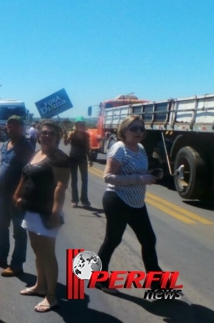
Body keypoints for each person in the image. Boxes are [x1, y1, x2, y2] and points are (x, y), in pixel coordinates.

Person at [96, 115, 164, 294]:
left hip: (136, 202)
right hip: (117, 200)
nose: (139, 132)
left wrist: (152, 173)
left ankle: (156, 282)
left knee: (149, 239)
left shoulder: (140, 148)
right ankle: (100, 279)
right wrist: (139, 179)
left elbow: (137, 172)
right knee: (113, 240)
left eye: (141, 129)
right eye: (134, 129)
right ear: (124, 130)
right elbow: (108, 177)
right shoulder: (119, 149)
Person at [14, 119, 69, 313]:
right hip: (31, 210)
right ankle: (40, 286)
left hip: (46, 213)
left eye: (51, 133)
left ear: (57, 137)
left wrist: (55, 212)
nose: (46, 135)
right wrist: (18, 195)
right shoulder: (38, 153)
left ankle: (51, 296)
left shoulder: (59, 157)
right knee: (38, 252)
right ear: (38, 134)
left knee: (47, 254)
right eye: (44, 132)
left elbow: (61, 186)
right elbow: (26, 175)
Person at [0, 115, 35, 277]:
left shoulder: (26, 147)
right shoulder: (6, 144)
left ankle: (17, 264)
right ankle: (0, 257)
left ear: (22, 128)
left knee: (18, 231)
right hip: (2, 194)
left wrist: (18, 193)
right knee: (0, 226)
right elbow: (2, 167)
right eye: (9, 125)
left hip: (17, 197)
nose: (12, 128)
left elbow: (27, 173)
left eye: (16, 126)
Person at [63, 119, 93, 207]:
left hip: (83, 158)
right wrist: (65, 134)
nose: (82, 126)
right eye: (80, 124)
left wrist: (90, 159)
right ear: (76, 125)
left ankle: (84, 200)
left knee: (85, 179)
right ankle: (74, 200)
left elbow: (87, 148)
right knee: (74, 179)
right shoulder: (72, 134)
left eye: (83, 124)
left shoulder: (86, 134)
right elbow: (65, 143)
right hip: (73, 158)